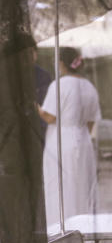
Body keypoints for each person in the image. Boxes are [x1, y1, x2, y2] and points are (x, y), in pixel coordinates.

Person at [38, 47, 101, 226]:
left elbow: (50, 117)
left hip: (60, 142)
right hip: (83, 141)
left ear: (61, 63)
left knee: (59, 188)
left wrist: (36, 108)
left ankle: (60, 230)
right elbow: (91, 122)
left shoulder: (59, 85)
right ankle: (83, 229)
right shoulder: (89, 86)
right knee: (82, 187)